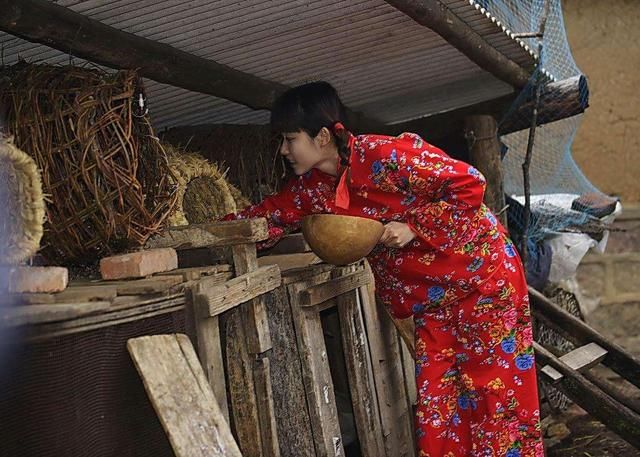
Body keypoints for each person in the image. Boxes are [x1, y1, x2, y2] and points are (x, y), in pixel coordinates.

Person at [223, 82, 544, 456]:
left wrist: (415, 226)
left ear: (322, 135)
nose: (283, 150)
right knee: (440, 406)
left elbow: (469, 184)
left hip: (482, 283)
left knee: (495, 402)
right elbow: (265, 217)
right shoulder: (312, 190)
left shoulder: (383, 155)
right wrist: (196, 235)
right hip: (433, 305)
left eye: (290, 138)